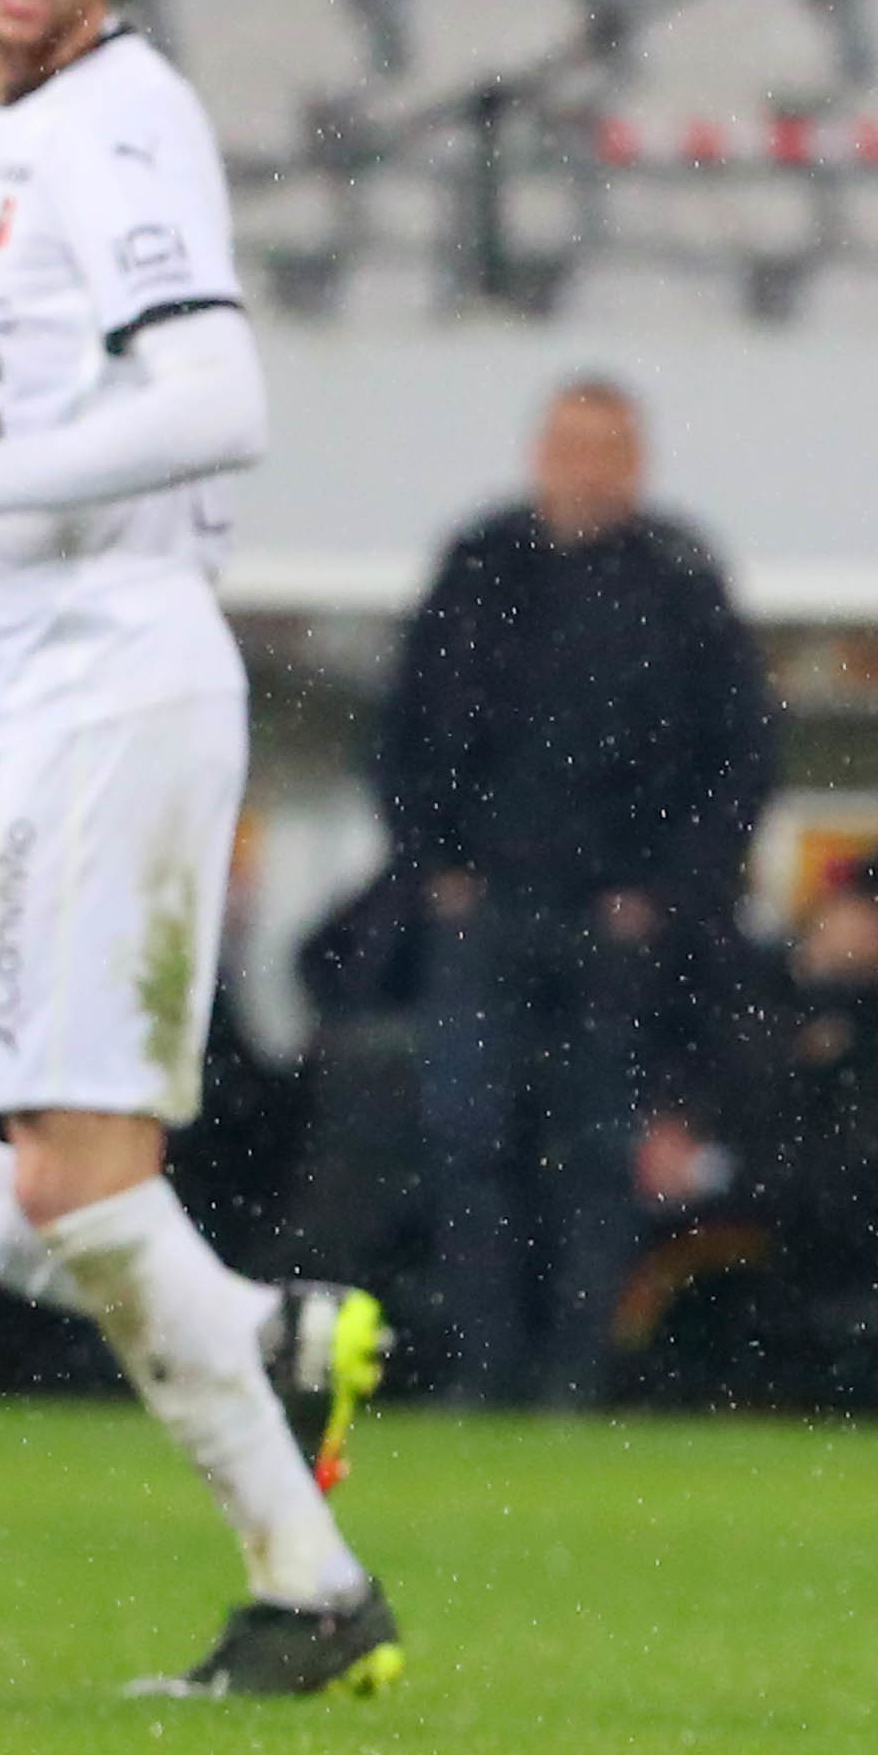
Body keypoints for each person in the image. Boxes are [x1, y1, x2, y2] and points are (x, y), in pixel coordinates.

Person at [0, 0, 399, 1694]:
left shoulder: (121, 119)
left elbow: (214, 395)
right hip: (6, 701)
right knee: (16, 1175)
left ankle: (311, 1587)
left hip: (121, 695)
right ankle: (255, 1339)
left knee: (79, 1175)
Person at [369, 375, 780, 1408]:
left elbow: (737, 756)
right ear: (537, 452)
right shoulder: (479, 566)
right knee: (470, 1140)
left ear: (637, 463)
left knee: (600, 1150)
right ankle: (482, 1367)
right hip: (488, 910)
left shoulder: (679, 580)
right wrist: (440, 868)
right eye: (569, 444)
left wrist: (665, 893)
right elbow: (402, 732)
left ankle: (578, 1376)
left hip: (621, 924)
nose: (586, 467)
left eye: (607, 447)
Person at [621, 844, 878, 1387]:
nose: (851, 927)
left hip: (809, 1240)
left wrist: (712, 1172)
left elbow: (856, 1175)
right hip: (709, 1212)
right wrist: (667, 1135)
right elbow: (692, 1085)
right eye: (857, 906)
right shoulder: (746, 998)